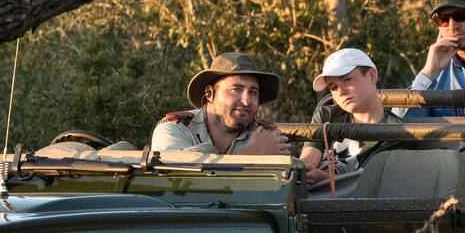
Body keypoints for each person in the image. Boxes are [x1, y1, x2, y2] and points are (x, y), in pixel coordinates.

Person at [299, 47, 403, 193]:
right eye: (334, 87)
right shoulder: (327, 115)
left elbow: (369, 186)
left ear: (372, 76)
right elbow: (308, 159)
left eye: (347, 80)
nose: (341, 92)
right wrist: (305, 171)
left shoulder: (397, 132)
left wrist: (321, 178)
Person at [151, 52, 292, 155]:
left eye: (253, 92)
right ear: (209, 94)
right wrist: (250, 156)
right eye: (236, 89)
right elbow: (182, 183)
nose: (246, 100)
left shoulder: (263, 136)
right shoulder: (174, 129)